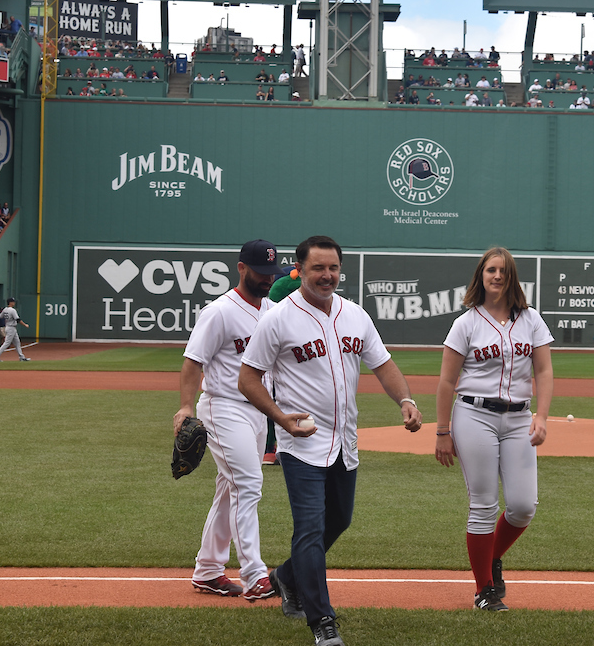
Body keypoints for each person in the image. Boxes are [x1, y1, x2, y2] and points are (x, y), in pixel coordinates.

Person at [237, 235, 422, 646]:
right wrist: (281, 419)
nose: (327, 275)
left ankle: (285, 577)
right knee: (309, 529)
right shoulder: (279, 319)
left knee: (338, 520)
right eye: (318, 268)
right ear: (299, 270)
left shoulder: (355, 315)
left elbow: (384, 364)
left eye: (333, 267)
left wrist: (405, 399)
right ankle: (322, 621)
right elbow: (247, 378)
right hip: (301, 443)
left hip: (344, 441)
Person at [434, 247, 554, 612]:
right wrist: (442, 431)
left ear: (512, 276)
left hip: (519, 418)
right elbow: (445, 381)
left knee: (522, 507)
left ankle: (490, 559)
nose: (497, 276)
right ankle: (484, 590)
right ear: (480, 276)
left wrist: (543, 416)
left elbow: (544, 371)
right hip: (475, 416)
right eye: (490, 270)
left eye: (503, 271)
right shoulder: (466, 323)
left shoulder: (531, 319)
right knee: (484, 505)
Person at [173, 240, 285, 601]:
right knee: (249, 484)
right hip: (224, 407)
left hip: (258, 412)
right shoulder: (220, 312)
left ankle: (207, 570)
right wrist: (186, 407)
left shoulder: (273, 310)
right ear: (241, 268)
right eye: (260, 273)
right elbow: (194, 361)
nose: (267, 279)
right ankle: (254, 575)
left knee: (229, 489)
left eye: (272, 273)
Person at [0, 297, 30, 361]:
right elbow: (18, 320)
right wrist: (25, 325)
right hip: (11, 328)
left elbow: (0, 316)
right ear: (10, 302)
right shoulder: (12, 310)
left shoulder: (5, 309)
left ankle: (21, 357)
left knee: (17, 343)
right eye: (13, 302)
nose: (14, 303)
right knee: (6, 343)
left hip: (9, 327)